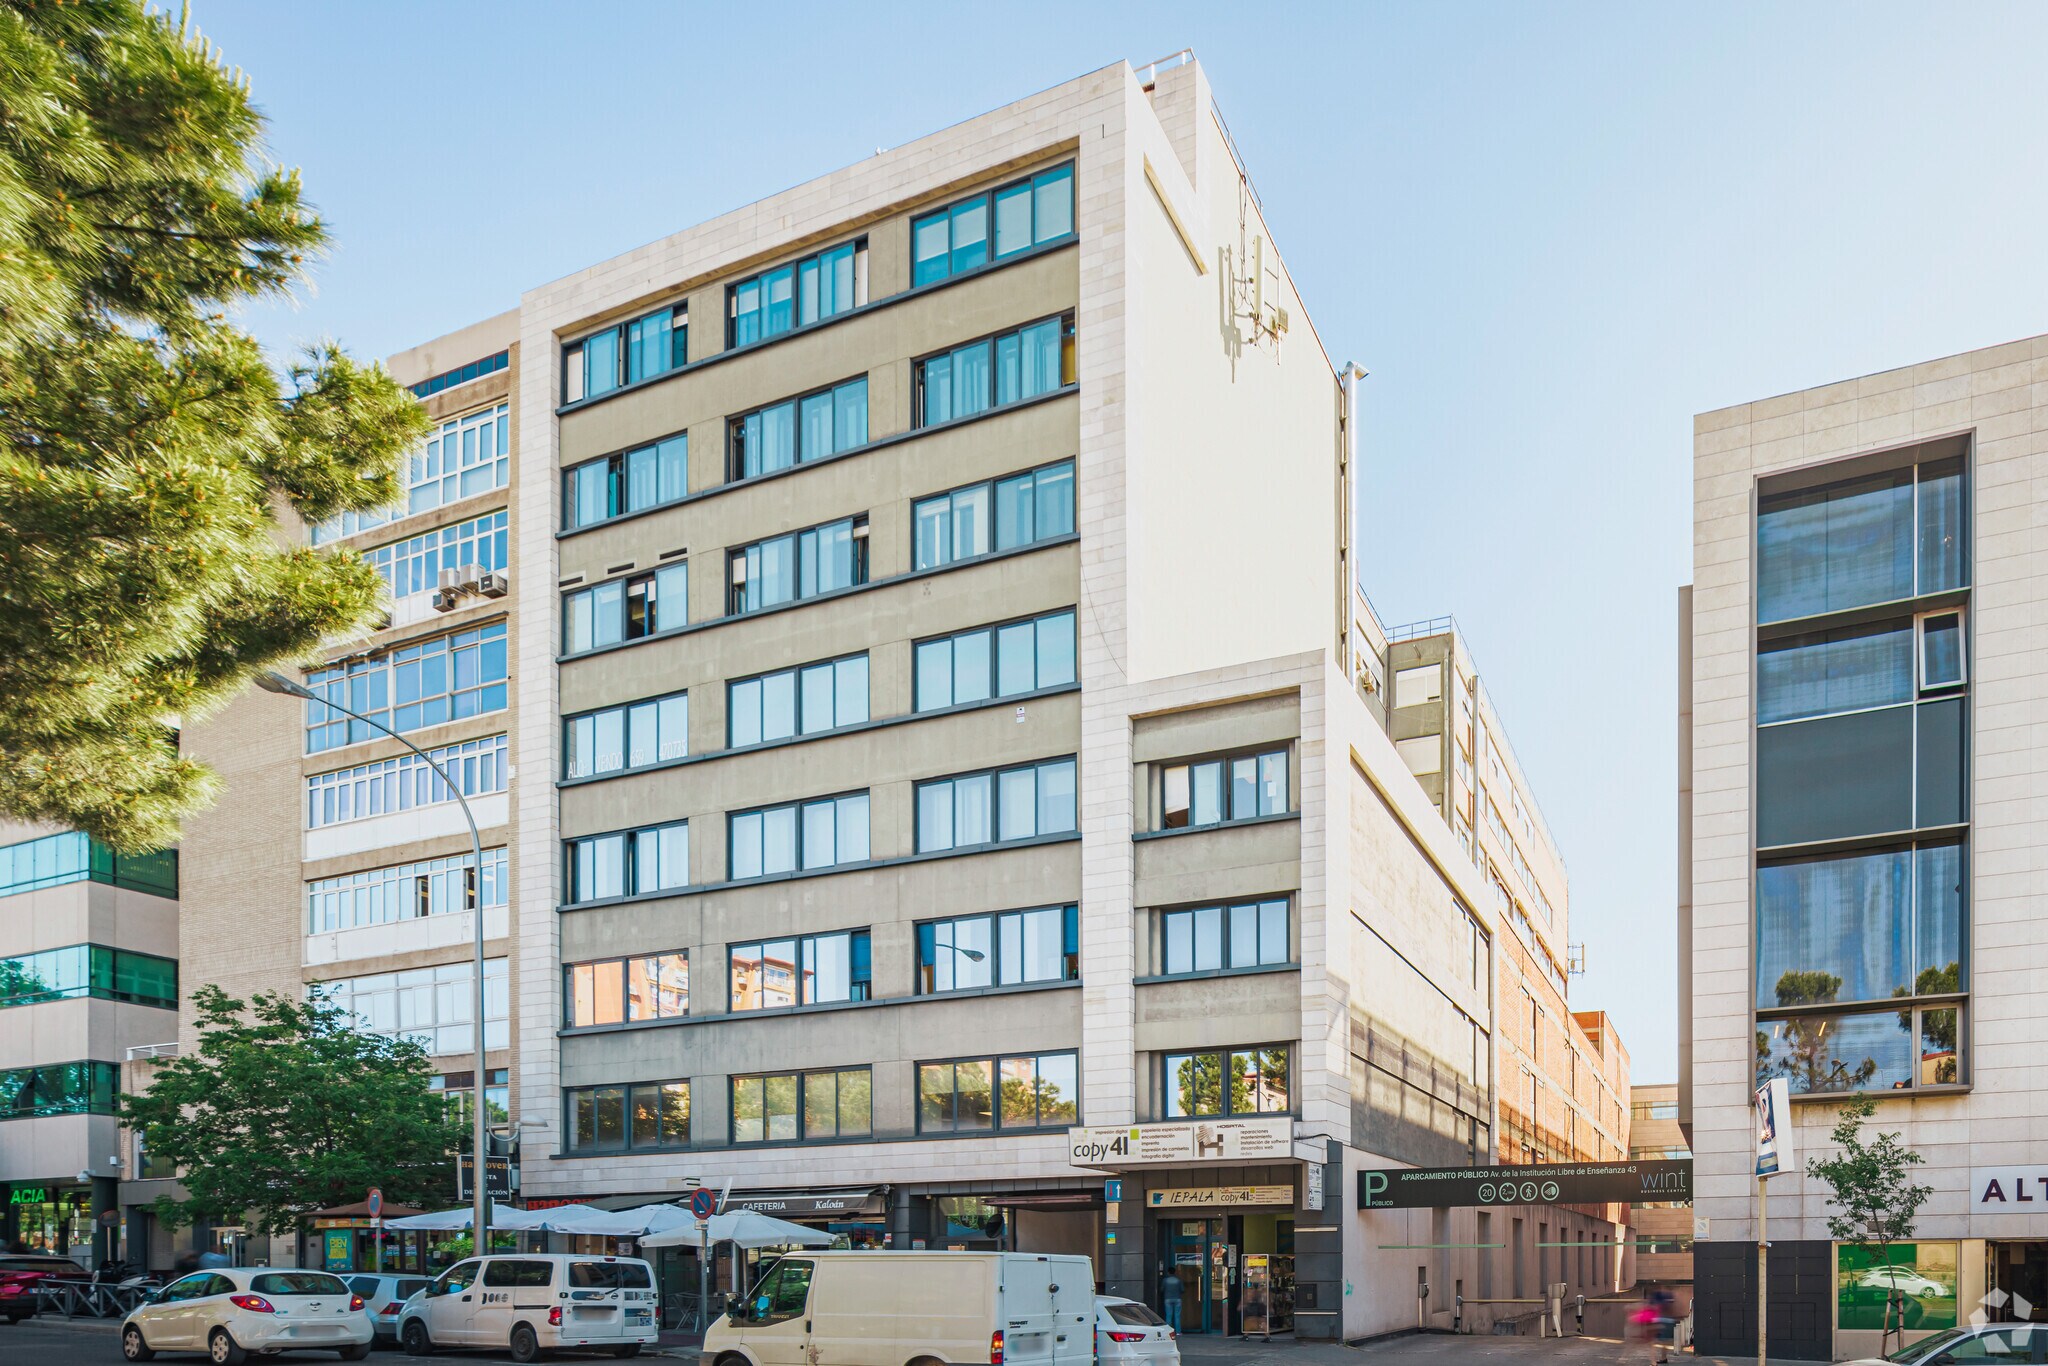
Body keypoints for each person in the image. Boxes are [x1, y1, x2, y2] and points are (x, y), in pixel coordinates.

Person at [1161, 1266, 1184, 1334]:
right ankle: (1178, 1332)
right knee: (1177, 1316)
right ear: (1175, 1272)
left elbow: (1161, 1289)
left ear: (1168, 1272)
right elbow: (1182, 1290)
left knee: (1168, 1315)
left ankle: (1168, 1332)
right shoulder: (1178, 1280)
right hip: (1177, 1299)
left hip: (1167, 1299)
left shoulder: (1165, 1280)